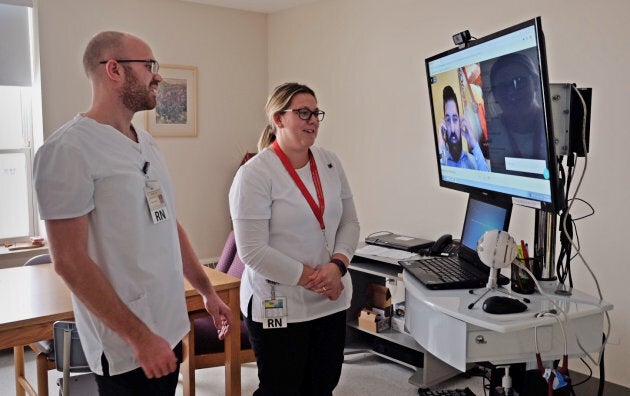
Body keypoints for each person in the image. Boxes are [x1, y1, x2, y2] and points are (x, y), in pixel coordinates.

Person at [33, 31, 233, 395]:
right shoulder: (67, 151)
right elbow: (70, 261)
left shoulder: (147, 143)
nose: (158, 76)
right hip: (127, 342)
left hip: (167, 325)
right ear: (114, 70)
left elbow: (167, 222)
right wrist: (139, 338)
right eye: (149, 66)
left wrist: (206, 291)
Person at [229, 82, 360, 395]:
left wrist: (338, 265)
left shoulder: (330, 163)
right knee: (281, 388)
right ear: (278, 119)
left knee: (323, 384)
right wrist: (315, 278)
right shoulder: (255, 174)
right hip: (280, 301)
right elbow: (252, 251)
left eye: (316, 113)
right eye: (303, 113)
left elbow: (350, 222)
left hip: (330, 298)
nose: (312, 120)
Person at [486, 52, 547, 175]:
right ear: (495, 94)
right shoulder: (490, 132)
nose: (511, 93)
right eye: (502, 87)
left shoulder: (553, 124)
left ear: (535, 83)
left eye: (519, 81)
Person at [438, 85, 490, 171]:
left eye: (455, 119)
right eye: (447, 120)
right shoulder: (443, 163)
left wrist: (473, 143)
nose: (452, 128)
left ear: (460, 122)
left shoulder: (474, 161)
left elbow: (488, 180)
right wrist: (441, 149)